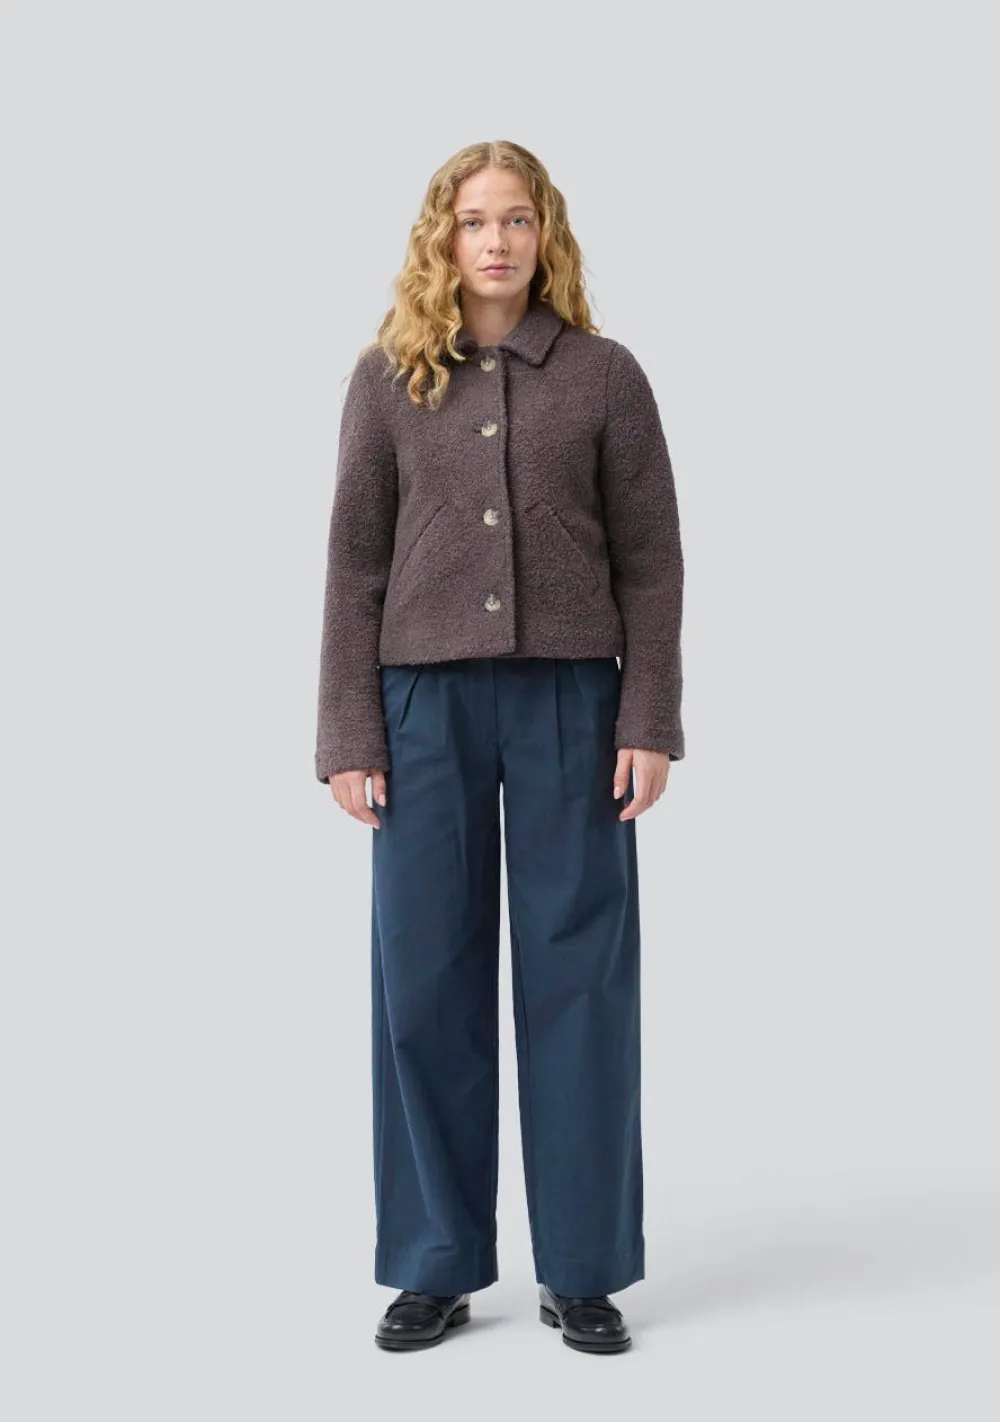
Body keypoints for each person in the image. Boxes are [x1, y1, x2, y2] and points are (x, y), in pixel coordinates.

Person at [315, 140, 685, 1354]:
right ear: (442, 236)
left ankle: (583, 1267)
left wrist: (647, 717)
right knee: (424, 978)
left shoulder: (604, 377)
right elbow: (353, 564)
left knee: (582, 980)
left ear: (546, 236)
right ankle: (435, 1262)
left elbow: (652, 560)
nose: (495, 241)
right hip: (420, 708)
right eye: (473, 220)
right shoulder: (387, 378)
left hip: (573, 702)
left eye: (516, 219)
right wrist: (347, 731)